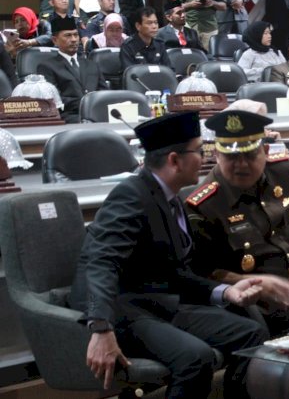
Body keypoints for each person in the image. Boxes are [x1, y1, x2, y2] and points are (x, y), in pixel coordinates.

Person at [69, 111, 267, 398]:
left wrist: (226, 293)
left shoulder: (172, 198)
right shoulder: (131, 196)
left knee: (251, 335)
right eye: (199, 151)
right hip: (124, 309)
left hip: (160, 302)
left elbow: (173, 272)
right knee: (195, 357)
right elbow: (101, 261)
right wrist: (100, 326)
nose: (205, 157)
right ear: (175, 160)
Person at [187, 110, 289, 336]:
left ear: (265, 151)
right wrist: (253, 282)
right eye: (231, 157)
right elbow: (205, 273)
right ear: (217, 154)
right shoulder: (204, 204)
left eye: (250, 155)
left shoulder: (282, 171)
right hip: (261, 295)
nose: (241, 165)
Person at [37, 17, 107, 123]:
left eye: (76, 35)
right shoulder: (47, 66)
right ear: (55, 40)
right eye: (68, 35)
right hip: (69, 116)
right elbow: (54, 100)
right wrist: (86, 103)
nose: (74, 39)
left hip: (96, 113)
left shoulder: (91, 64)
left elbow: (104, 92)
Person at [120, 6, 172, 70]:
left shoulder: (160, 44)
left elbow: (169, 69)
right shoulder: (128, 46)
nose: (154, 26)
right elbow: (129, 74)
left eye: (156, 22)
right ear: (138, 26)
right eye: (149, 23)